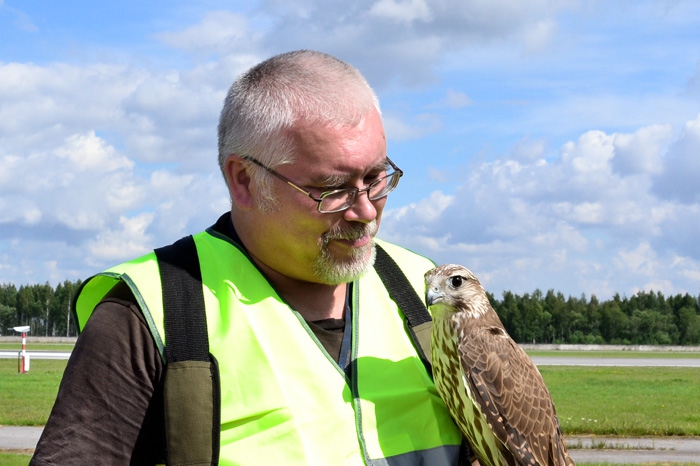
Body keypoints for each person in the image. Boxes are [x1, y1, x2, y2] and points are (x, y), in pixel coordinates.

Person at [30, 50, 465, 465]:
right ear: (244, 180)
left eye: (375, 177)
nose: (366, 209)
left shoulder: (428, 290)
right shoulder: (151, 312)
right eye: (331, 190)